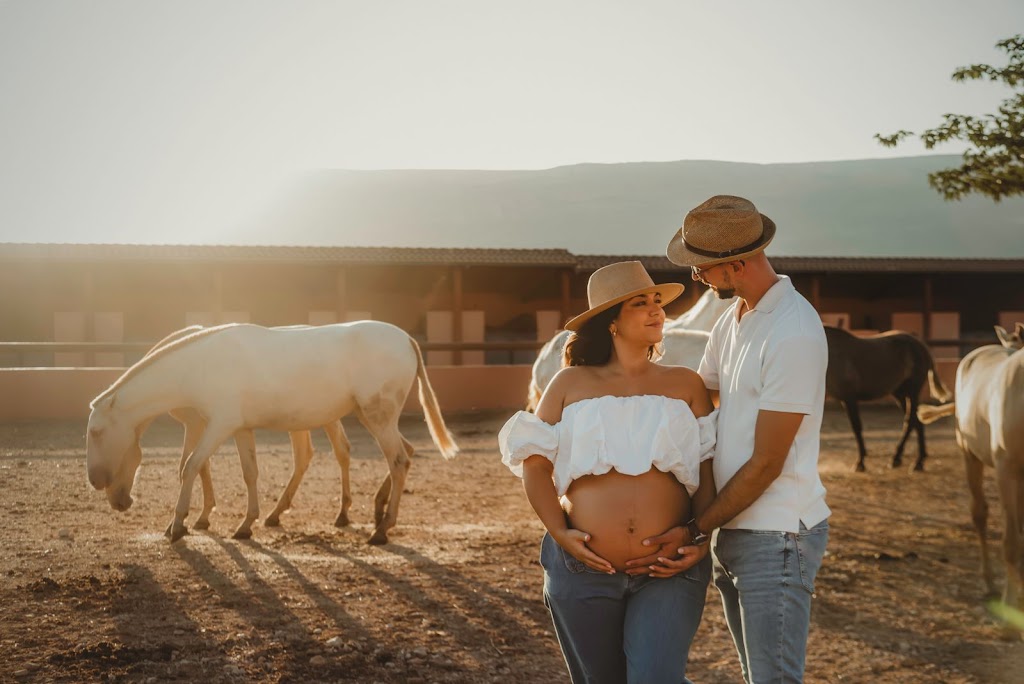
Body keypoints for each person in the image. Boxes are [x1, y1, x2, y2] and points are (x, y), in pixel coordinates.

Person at [627, 195, 830, 683]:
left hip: (777, 534)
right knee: (753, 674)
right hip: (734, 525)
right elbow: (697, 401)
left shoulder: (793, 333)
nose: (696, 277)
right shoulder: (733, 317)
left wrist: (697, 528)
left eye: (703, 268)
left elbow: (766, 462)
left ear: (737, 265)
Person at [498, 260, 718, 684]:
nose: (657, 310)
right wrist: (559, 533)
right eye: (641, 303)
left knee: (655, 677)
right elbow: (535, 462)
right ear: (612, 323)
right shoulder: (568, 384)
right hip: (583, 570)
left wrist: (698, 535)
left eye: (658, 302)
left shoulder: (686, 384)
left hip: (668, 567)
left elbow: (707, 470)